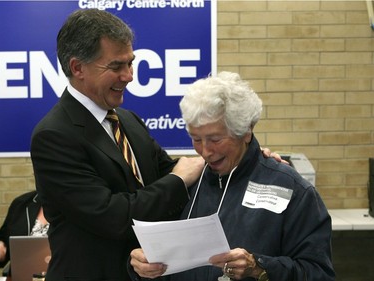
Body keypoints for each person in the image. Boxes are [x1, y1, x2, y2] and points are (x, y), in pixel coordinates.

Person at [30, 9, 206, 281]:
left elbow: (170, 171)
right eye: (116, 67)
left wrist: (240, 161)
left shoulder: (127, 120)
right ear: (78, 68)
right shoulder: (54, 136)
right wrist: (178, 180)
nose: (129, 76)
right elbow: (114, 215)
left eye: (130, 63)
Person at [129, 72, 336, 281]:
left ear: (245, 131)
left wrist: (259, 268)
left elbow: (318, 274)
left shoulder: (293, 190)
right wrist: (141, 268)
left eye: (215, 139)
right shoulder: (186, 183)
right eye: (196, 139)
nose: (205, 151)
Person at [0, 191, 48, 272]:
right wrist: (2, 248)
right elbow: (4, 239)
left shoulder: (73, 205)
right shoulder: (21, 203)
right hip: (23, 275)